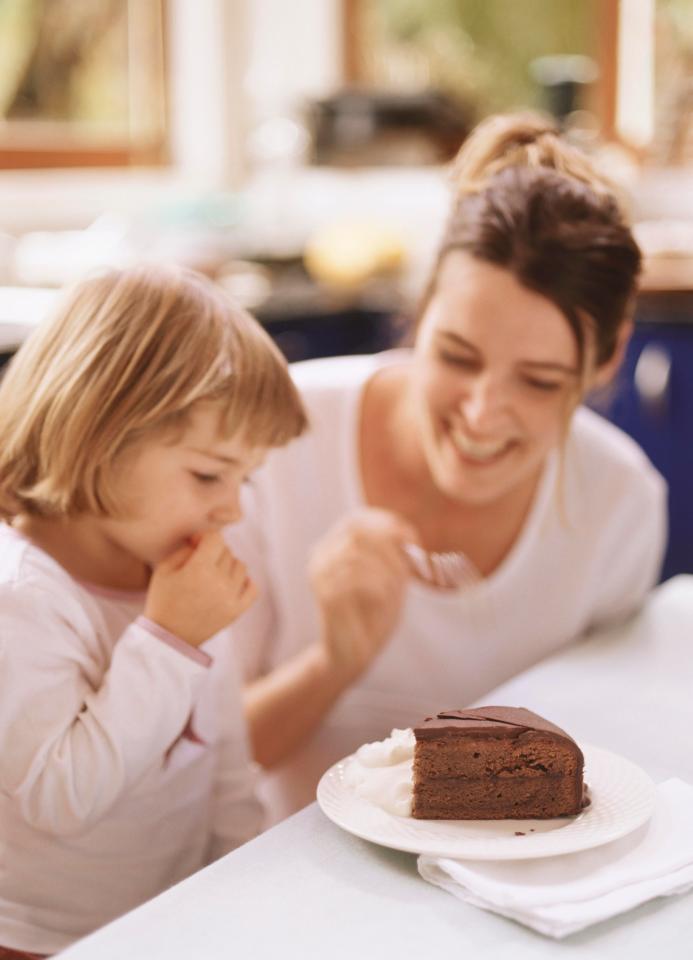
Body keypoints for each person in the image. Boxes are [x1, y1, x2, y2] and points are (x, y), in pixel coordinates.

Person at [227, 113, 667, 826]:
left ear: (606, 358)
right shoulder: (274, 442)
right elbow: (201, 768)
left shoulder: (619, 503)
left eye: (539, 381)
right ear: (421, 310)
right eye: (457, 357)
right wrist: (332, 662)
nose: (483, 414)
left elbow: (600, 766)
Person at [0, 265, 307, 957]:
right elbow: (60, 798)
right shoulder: (21, 594)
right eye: (208, 474)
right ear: (98, 434)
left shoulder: (178, 570)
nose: (232, 508)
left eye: (244, 478)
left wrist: (242, 879)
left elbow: (226, 759)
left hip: (165, 921)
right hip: (40, 941)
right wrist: (168, 637)